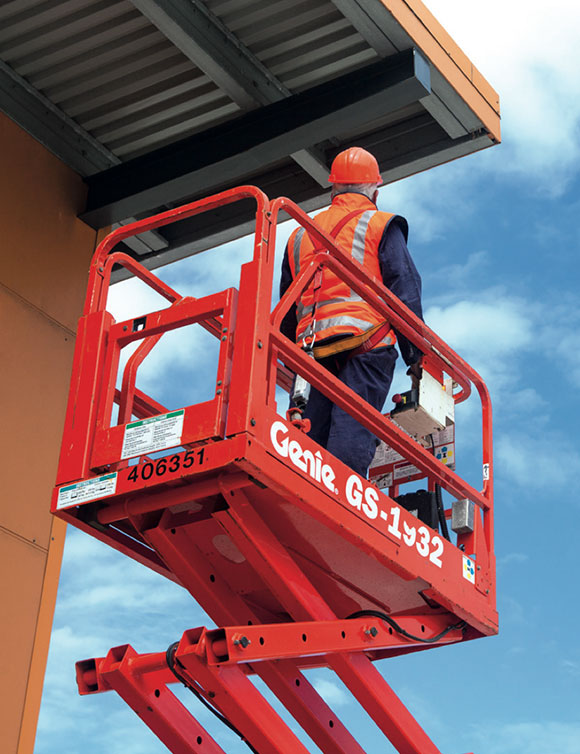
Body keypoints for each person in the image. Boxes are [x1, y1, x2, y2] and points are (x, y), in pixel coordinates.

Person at [279, 146, 424, 478]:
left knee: (308, 439)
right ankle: (342, 498)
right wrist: (415, 355)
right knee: (353, 429)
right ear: (375, 188)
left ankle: (302, 491)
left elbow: (287, 304)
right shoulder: (380, 223)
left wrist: (291, 354)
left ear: (333, 187)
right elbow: (404, 285)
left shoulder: (300, 233)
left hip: (311, 352)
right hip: (366, 344)